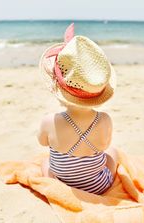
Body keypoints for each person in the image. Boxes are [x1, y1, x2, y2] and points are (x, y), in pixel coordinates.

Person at [37, 23, 118, 195]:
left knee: (45, 163)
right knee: (112, 153)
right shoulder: (104, 120)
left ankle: (55, 186)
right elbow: (105, 145)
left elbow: (42, 142)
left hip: (62, 183)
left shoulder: (49, 121)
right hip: (98, 186)